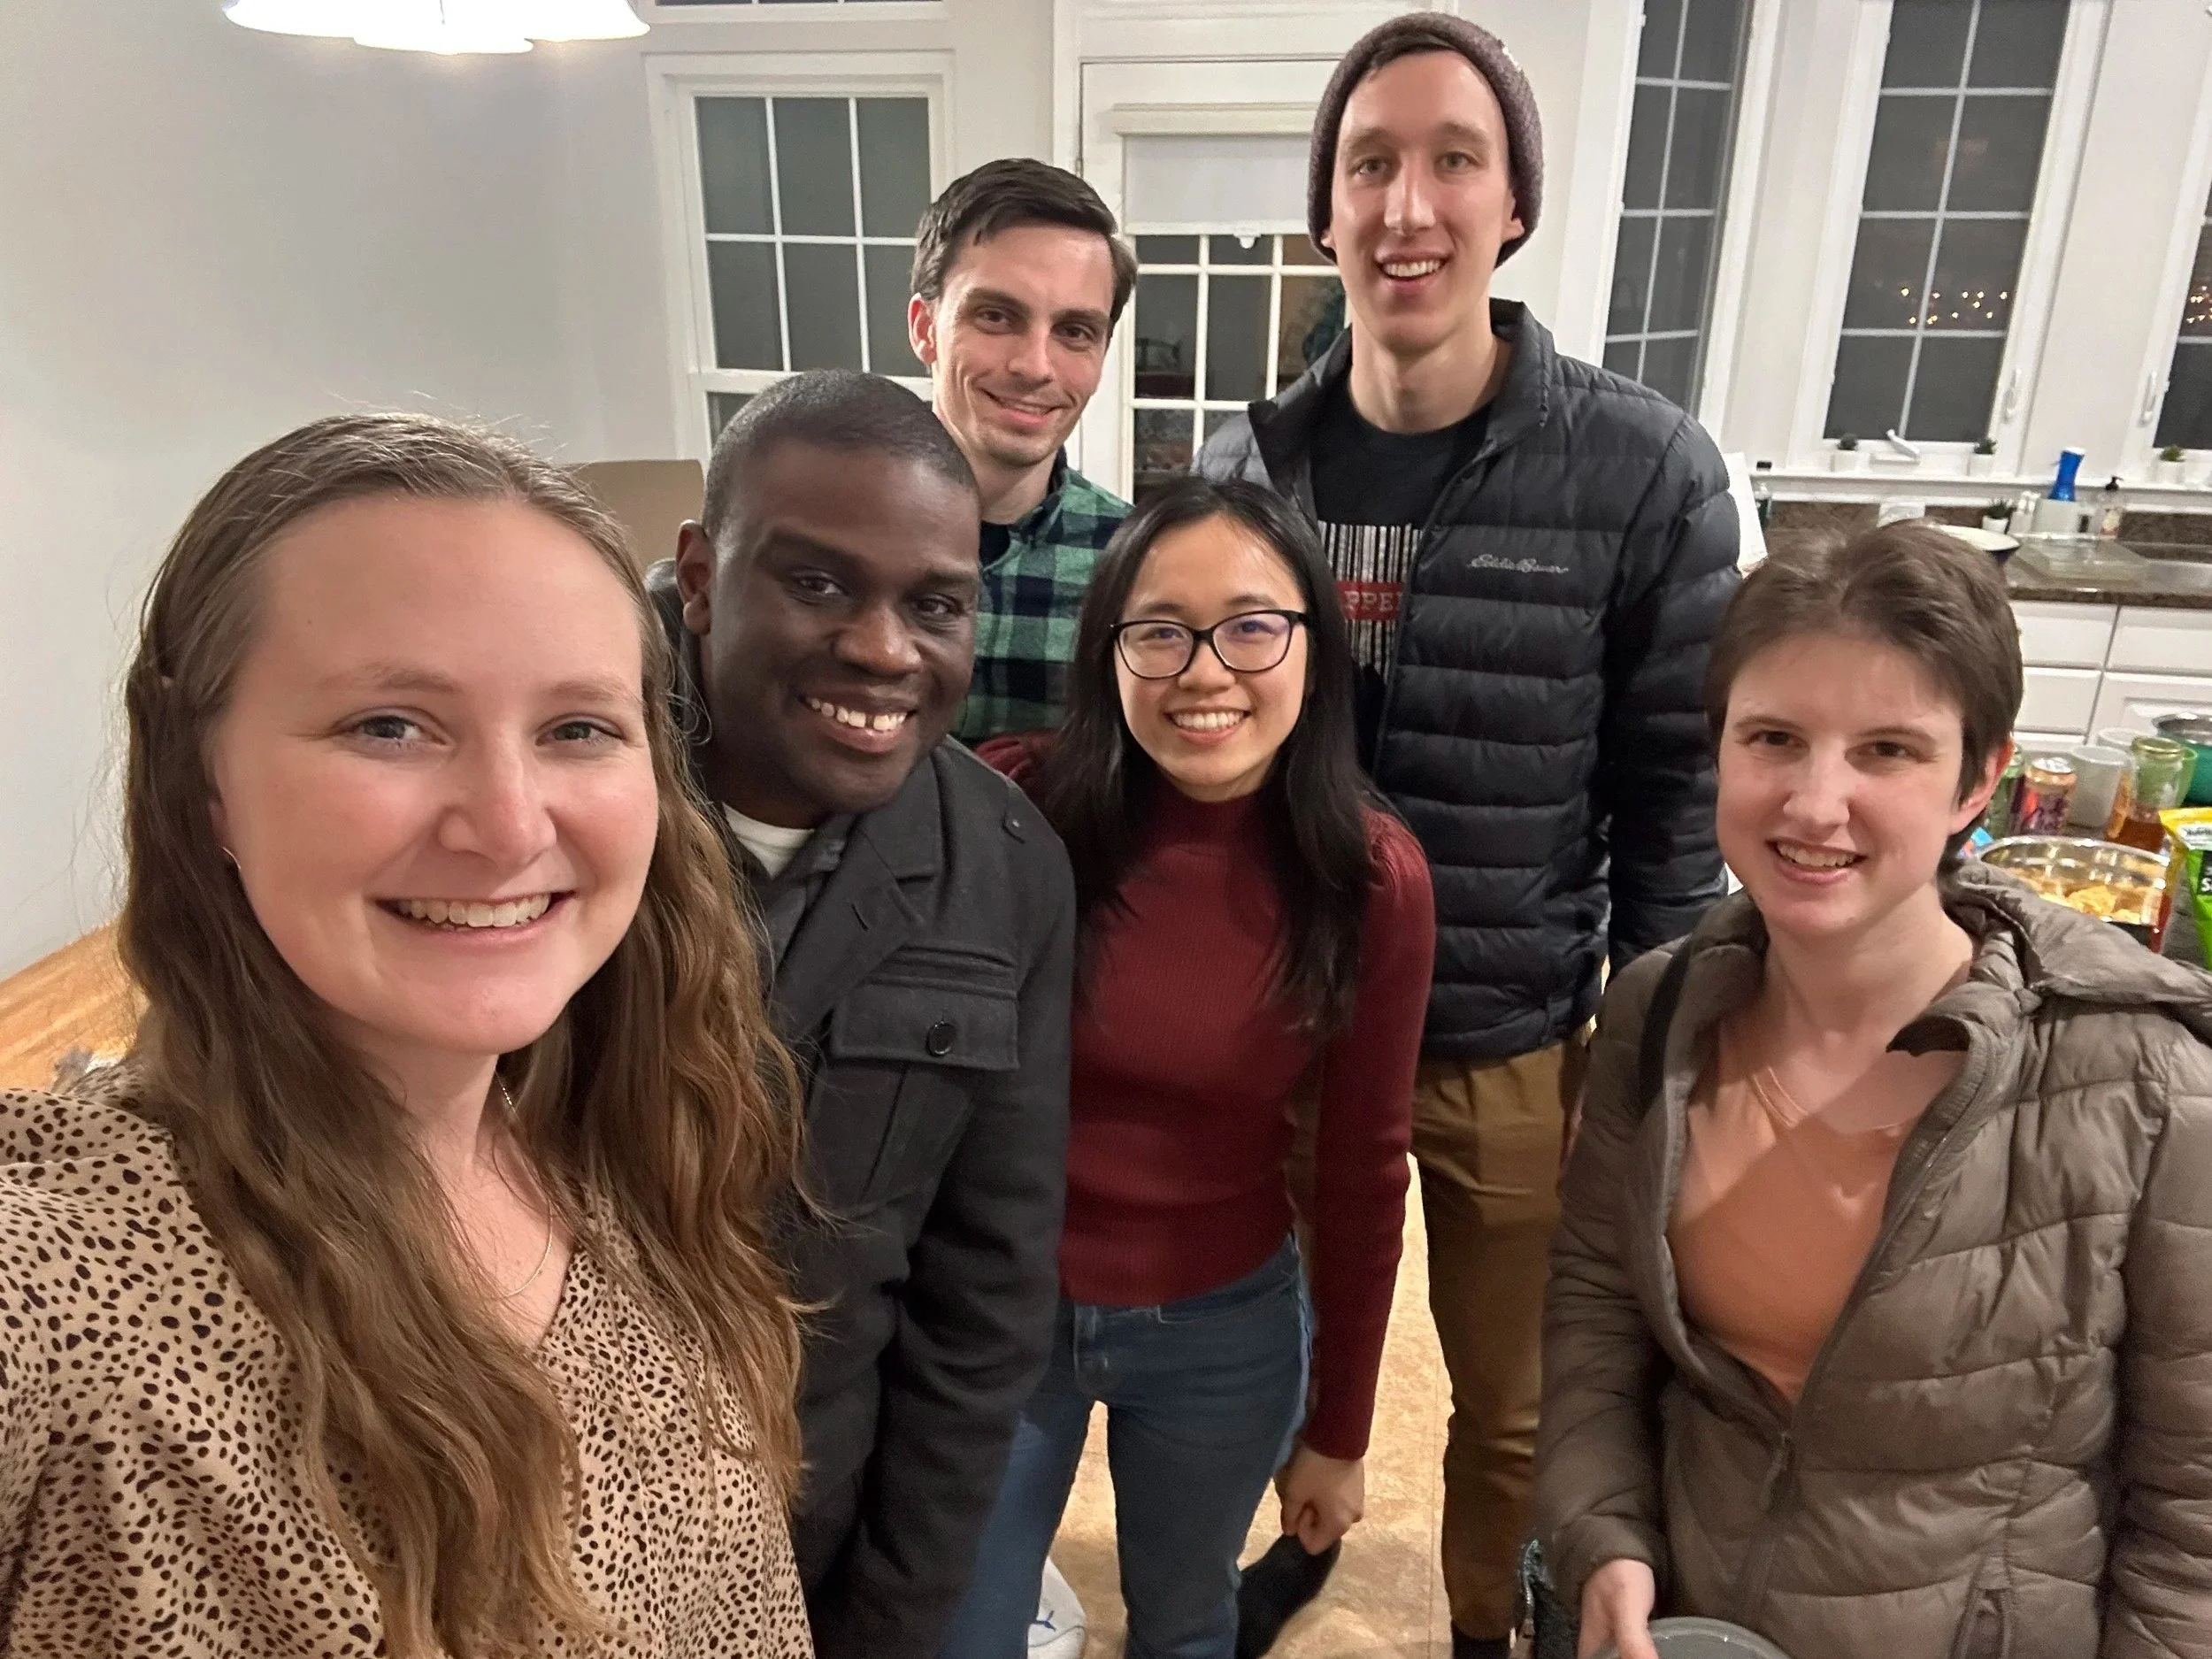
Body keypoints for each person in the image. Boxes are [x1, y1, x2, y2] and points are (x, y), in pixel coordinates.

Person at [0, 413, 811, 1655]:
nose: (505, 821)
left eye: (577, 727)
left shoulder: (624, 1147)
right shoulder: (65, 1275)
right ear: (199, 778)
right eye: (390, 723)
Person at [1195, 17, 1739, 1655]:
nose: (1407, 204)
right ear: (1325, 211)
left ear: (1514, 208)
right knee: (1269, 1356)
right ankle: (1291, 1547)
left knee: (1514, 1406)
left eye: (1452, 160)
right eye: (1370, 163)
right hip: (1289, 1024)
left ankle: (1488, 1631)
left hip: (1514, 1040)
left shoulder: (1641, 469)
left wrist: (1637, 1074)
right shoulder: (1249, 464)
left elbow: (1674, 811)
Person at [1535, 523, 2212, 1659]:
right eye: (1774, 738)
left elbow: (2192, 1516)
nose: (1813, 802)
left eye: (1886, 750)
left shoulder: (2146, 1086)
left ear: (1977, 779)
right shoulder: (1658, 1014)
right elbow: (1598, 1316)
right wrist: (1604, 1540)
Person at [937, 475, 1436, 1659]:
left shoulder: (1371, 874)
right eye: (1160, 630)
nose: (1206, 670)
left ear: (1315, 644)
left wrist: (1341, 1428)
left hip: (1223, 1324)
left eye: (1253, 624)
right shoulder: (1018, 805)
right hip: (1010, 1312)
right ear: (1107, 649)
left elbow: (1365, 1174)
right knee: (956, 1619)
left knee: (1185, 1621)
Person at [657, 369, 1078, 1659]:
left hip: (819, 1536)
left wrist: (894, 1619)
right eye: (820, 582)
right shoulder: (556, 813)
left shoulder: (1005, 870)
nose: (886, 648)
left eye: (935, 603)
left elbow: (982, 1302)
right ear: (701, 575)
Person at [909, 157, 1137, 743]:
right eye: (995, 316)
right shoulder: (832, 529)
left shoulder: (1136, 566)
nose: (1035, 366)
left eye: (1074, 331)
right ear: (924, 328)